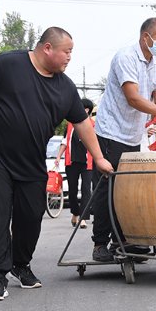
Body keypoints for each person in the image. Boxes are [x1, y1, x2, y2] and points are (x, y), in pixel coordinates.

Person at [0, 27, 114, 302]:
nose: (69, 58)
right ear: (47, 48)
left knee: (31, 214)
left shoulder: (65, 87)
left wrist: (99, 157)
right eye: (66, 52)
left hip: (29, 160)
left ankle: (21, 264)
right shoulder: (6, 64)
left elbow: (81, 124)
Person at [91, 18, 156, 262]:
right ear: (146, 37)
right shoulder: (126, 57)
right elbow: (133, 98)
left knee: (126, 189)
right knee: (107, 188)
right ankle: (100, 243)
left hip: (133, 133)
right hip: (111, 131)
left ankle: (123, 241)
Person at [55, 98, 96, 229]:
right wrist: (58, 156)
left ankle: (83, 218)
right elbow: (65, 141)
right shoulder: (71, 124)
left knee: (86, 190)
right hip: (72, 162)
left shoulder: (93, 124)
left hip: (87, 163)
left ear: (86, 110)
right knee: (72, 191)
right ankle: (75, 213)